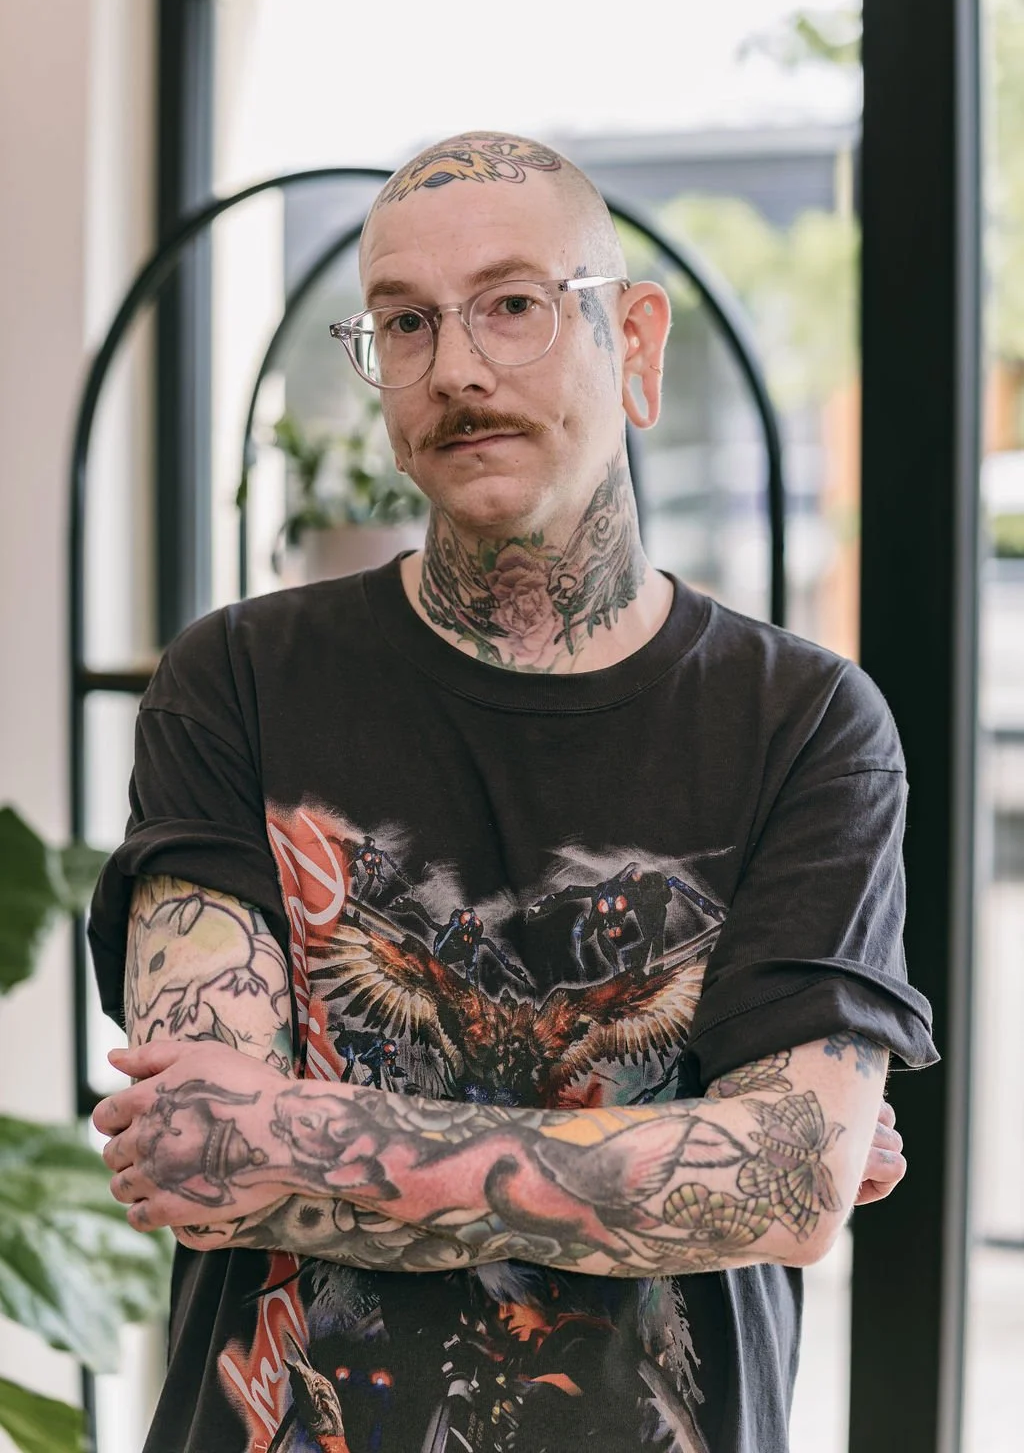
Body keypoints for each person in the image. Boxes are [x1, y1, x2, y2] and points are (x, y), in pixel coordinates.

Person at [89, 130, 936, 1453]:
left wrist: (300, 1138)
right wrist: (681, 1149)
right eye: (405, 323)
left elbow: (786, 1186)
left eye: (516, 307)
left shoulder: (806, 722)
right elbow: (202, 1157)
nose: (460, 369)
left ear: (635, 343)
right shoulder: (240, 679)